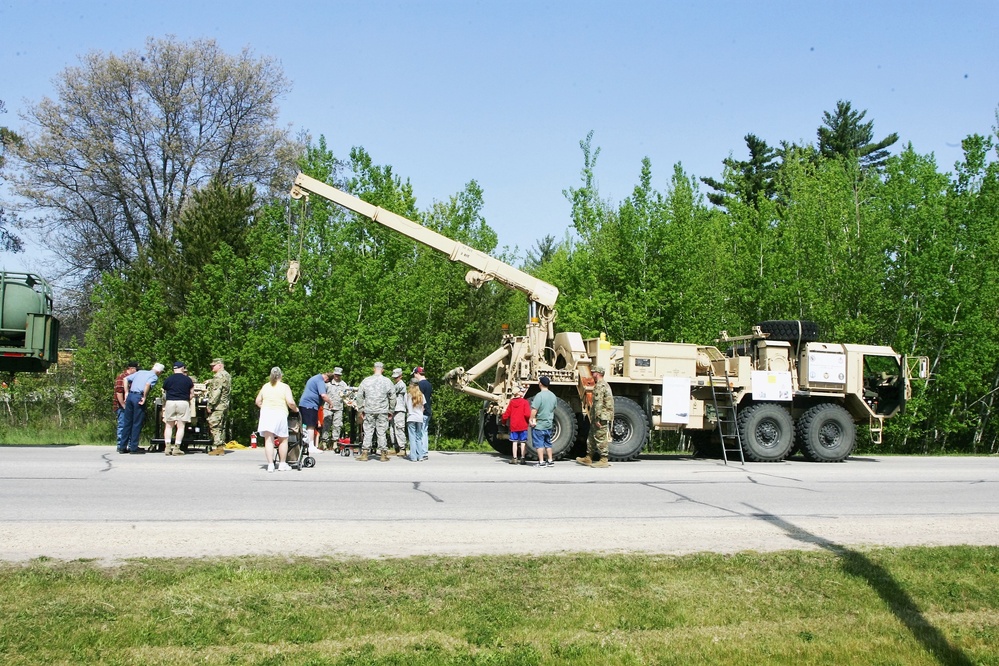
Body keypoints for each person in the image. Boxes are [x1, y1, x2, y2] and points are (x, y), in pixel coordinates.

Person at [255, 366, 299, 472]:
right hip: (279, 413)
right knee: (283, 439)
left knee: (269, 440)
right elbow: (290, 402)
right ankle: (282, 464)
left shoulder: (265, 386)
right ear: (281, 376)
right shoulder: (284, 387)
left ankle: (270, 464)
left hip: (266, 413)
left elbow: (257, 401)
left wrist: (265, 407)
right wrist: (295, 409)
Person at [121, 362, 165, 454]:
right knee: (137, 422)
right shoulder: (154, 377)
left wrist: (126, 392)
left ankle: (122, 446)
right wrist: (144, 396)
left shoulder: (140, 372)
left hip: (131, 396)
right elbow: (147, 385)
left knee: (127, 421)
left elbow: (125, 379)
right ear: (159, 372)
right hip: (138, 397)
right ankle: (133, 447)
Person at [356, 361, 395, 461]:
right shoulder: (387, 381)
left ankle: (365, 453)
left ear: (374, 369)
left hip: (369, 410)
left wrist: (360, 409)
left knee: (368, 431)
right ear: (383, 370)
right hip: (382, 410)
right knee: (381, 432)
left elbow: (359, 396)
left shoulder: (366, 381)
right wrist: (391, 411)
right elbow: (393, 397)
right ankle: (383, 454)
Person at [577, 365, 614, 468]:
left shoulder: (600, 386)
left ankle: (603, 459)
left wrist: (597, 418)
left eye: (593, 373)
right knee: (592, 437)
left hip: (601, 416)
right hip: (600, 415)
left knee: (600, 437)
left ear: (598, 374)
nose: (592, 374)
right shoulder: (604, 385)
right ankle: (588, 457)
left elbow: (598, 403)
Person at [161, 361, 195, 456]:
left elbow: (164, 391)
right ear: (182, 368)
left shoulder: (168, 379)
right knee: (180, 426)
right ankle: (177, 448)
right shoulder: (188, 380)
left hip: (170, 402)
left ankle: (167, 447)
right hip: (183, 402)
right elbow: (191, 393)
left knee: (168, 426)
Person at [298, 371, 334, 453]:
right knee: (311, 426)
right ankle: (310, 446)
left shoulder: (314, 378)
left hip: (305, 404)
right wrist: (330, 403)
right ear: (327, 379)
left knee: (305, 426)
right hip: (310, 405)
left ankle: (304, 444)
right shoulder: (320, 380)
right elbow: (323, 395)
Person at [205, 357, 232, 456]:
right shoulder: (227, 375)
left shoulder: (218, 376)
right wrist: (211, 381)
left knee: (214, 425)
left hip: (218, 405)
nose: (212, 367)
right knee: (221, 426)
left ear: (220, 365)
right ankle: (220, 446)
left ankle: (218, 447)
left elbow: (217, 392)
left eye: (214, 365)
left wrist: (210, 404)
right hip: (224, 404)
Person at [529, 376, 557, 467]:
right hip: (549, 424)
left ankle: (541, 462)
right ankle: (550, 460)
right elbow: (554, 408)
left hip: (540, 424)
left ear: (540, 383)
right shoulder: (553, 395)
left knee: (539, 444)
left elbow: (534, 410)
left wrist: (531, 419)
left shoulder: (539, 395)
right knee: (548, 443)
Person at [501, 384, 532, 465]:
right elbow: (527, 414)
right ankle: (522, 458)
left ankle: (514, 458)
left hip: (514, 426)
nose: (523, 392)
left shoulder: (511, 402)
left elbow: (507, 414)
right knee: (523, 442)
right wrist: (530, 420)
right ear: (519, 393)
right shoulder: (525, 402)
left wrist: (503, 422)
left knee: (514, 442)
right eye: (521, 391)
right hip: (523, 425)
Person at [320, 367, 349, 449]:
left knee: (337, 425)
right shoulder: (328, 384)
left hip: (339, 408)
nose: (337, 376)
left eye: (338, 375)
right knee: (326, 425)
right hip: (328, 407)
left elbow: (346, 396)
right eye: (335, 375)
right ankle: (324, 442)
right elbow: (323, 394)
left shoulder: (344, 385)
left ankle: (335, 442)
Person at [114, 361, 138, 453]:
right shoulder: (122, 377)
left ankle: (130, 445)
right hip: (122, 406)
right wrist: (123, 405)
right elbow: (119, 393)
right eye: (136, 369)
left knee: (130, 425)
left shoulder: (133, 378)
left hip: (130, 406)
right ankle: (120, 445)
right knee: (122, 425)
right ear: (131, 369)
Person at [412, 366, 433, 460]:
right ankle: (424, 451)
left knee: (419, 433)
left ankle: (421, 452)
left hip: (421, 411)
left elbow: (419, 399)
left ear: (417, 373)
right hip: (428, 411)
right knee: (425, 432)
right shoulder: (429, 384)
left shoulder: (420, 385)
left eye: (414, 374)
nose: (414, 376)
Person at [405, 377, 426, 461]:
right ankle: (420, 456)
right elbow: (423, 408)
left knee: (412, 438)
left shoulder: (408, 395)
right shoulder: (421, 395)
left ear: (410, 384)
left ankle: (413, 457)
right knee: (419, 437)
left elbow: (406, 406)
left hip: (411, 417)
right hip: (419, 417)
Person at [390, 368, 408, 457]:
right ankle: (396, 448)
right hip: (393, 409)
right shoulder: (395, 384)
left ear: (401, 376)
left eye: (396, 377)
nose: (395, 379)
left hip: (400, 409)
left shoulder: (401, 384)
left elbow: (391, 392)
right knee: (392, 429)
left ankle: (402, 448)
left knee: (399, 428)